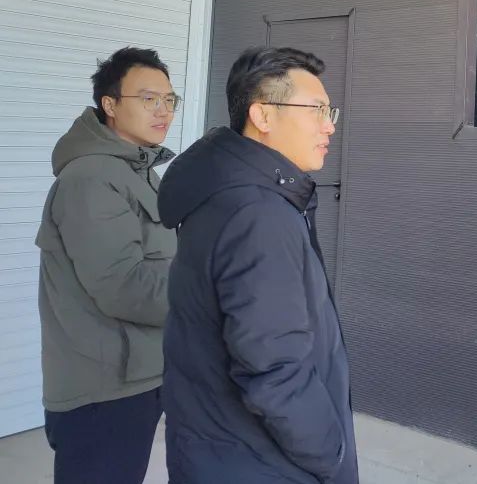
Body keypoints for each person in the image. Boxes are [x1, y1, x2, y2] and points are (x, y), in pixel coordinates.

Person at [159, 46, 358, 483]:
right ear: (262, 116)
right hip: (257, 463)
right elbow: (273, 370)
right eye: (316, 109)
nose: (329, 125)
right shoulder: (258, 214)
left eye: (330, 112)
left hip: (219, 450)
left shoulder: (227, 192)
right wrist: (332, 453)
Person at [36, 47, 180, 483]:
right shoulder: (92, 178)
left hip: (136, 374)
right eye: (148, 98)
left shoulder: (136, 170)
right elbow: (124, 287)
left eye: (169, 100)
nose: (163, 111)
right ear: (110, 105)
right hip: (103, 390)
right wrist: (211, 295)